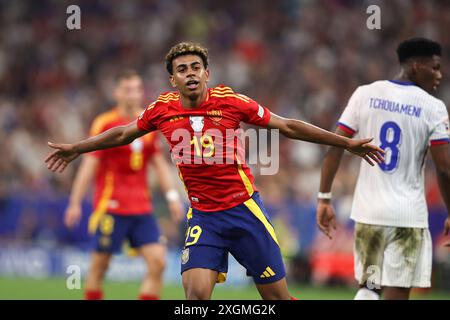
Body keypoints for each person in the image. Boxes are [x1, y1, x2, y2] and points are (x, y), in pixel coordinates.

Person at [45, 42, 384, 300]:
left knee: (277, 298)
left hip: (244, 210)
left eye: (196, 67)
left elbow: (288, 126)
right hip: (204, 217)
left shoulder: (231, 102)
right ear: (172, 79)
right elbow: (122, 133)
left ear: (207, 73)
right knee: (195, 297)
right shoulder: (161, 109)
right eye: (182, 69)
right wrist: (78, 147)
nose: (190, 73)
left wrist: (346, 143)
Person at [316, 37, 450, 300]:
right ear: (415, 66)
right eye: (434, 67)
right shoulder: (433, 108)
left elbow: (335, 146)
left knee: (369, 288)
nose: (439, 74)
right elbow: (444, 169)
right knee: (397, 292)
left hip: (369, 212)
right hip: (407, 217)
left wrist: (324, 198)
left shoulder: (365, 94)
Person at [64, 70, 184, 300]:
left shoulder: (147, 124)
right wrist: (75, 202)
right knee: (100, 266)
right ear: (116, 92)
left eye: (137, 89)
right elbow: (89, 165)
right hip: (111, 206)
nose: (133, 94)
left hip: (142, 207)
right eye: (128, 89)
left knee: (158, 262)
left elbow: (158, 163)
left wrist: (172, 197)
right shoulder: (104, 123)